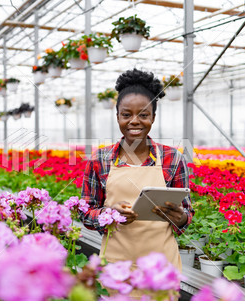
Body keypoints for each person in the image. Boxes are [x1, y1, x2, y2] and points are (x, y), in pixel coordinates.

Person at [80, 68, 195, 272]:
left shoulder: (173, 158)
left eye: (143, 114)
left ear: (153, 117)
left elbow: (187, 212)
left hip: (162, 268)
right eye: (126, 114)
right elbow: (86, 212)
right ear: (117, 117)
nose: (134, 121)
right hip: (116, 266)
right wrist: (108, 214)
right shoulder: (100, 159)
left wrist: (181, 217)